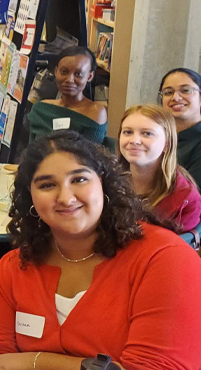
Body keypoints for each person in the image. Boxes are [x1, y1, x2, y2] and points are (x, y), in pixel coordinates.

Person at [0, 131, 201, 370]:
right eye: (47, 184)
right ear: (30, 199)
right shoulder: (15, 267)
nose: (65, 197)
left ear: (104, 185)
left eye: (79, 179)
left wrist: (33, 362)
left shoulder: (164, 258)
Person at [117, 104, 201, 233]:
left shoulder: (186, 198)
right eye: (128, 132)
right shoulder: (106, 181)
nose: (134, 140)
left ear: (167, 144)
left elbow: (179, 249)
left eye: (147, 133)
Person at [26, 46, 107, 145]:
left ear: (90, 76)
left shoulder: (95, 112)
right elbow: (31, 152)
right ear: (56, 72)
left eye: (78, 74)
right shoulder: (41, 110)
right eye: (64, 72)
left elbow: (89, 157)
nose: (69, 79)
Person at [159, 68, 201, 185]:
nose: (176, 98)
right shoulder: (157, 135)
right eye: (168, 92)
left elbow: (191, 192)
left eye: (186, 90)